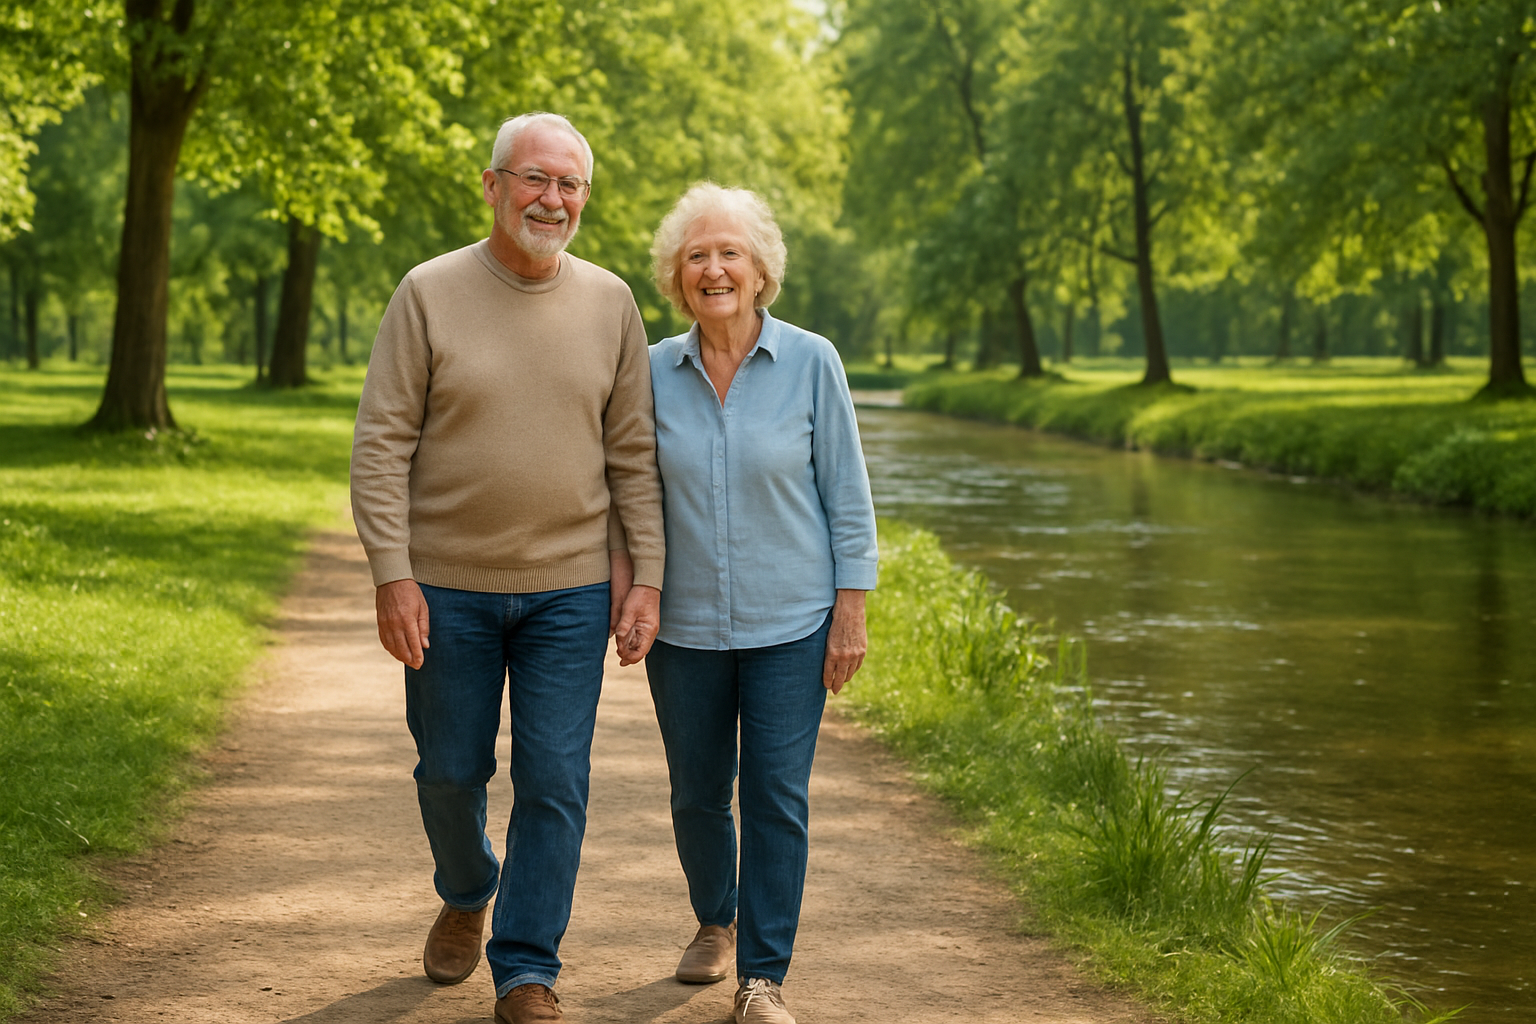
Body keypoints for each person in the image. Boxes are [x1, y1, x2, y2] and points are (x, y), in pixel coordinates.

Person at [349, 111, 665, 1024]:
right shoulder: (428, 292)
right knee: (448, 771)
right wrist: (391, 573)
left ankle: (526, 967)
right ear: (493, 185)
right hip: (445, 588)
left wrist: (644, 578)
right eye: (535, 179)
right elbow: (380, 445)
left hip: (568, 590)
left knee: (556, 779)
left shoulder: (611, 304)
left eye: (569, 185)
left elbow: (634, 454)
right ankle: (467, 884)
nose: (552, 199)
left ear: (585, 198)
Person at [644, 183, 879, 1024]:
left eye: (730, 253)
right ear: (678, 278)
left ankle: (762, 976)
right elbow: (630, 493)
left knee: (777, 793)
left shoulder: (813, 361)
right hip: (686, 628)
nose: (715, 269)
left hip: (793, 621)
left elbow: (848, 498)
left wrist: (850, 610)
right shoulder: (649, 371)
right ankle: (716, 917)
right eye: (698, 256)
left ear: (761, 269)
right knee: (698, 791)